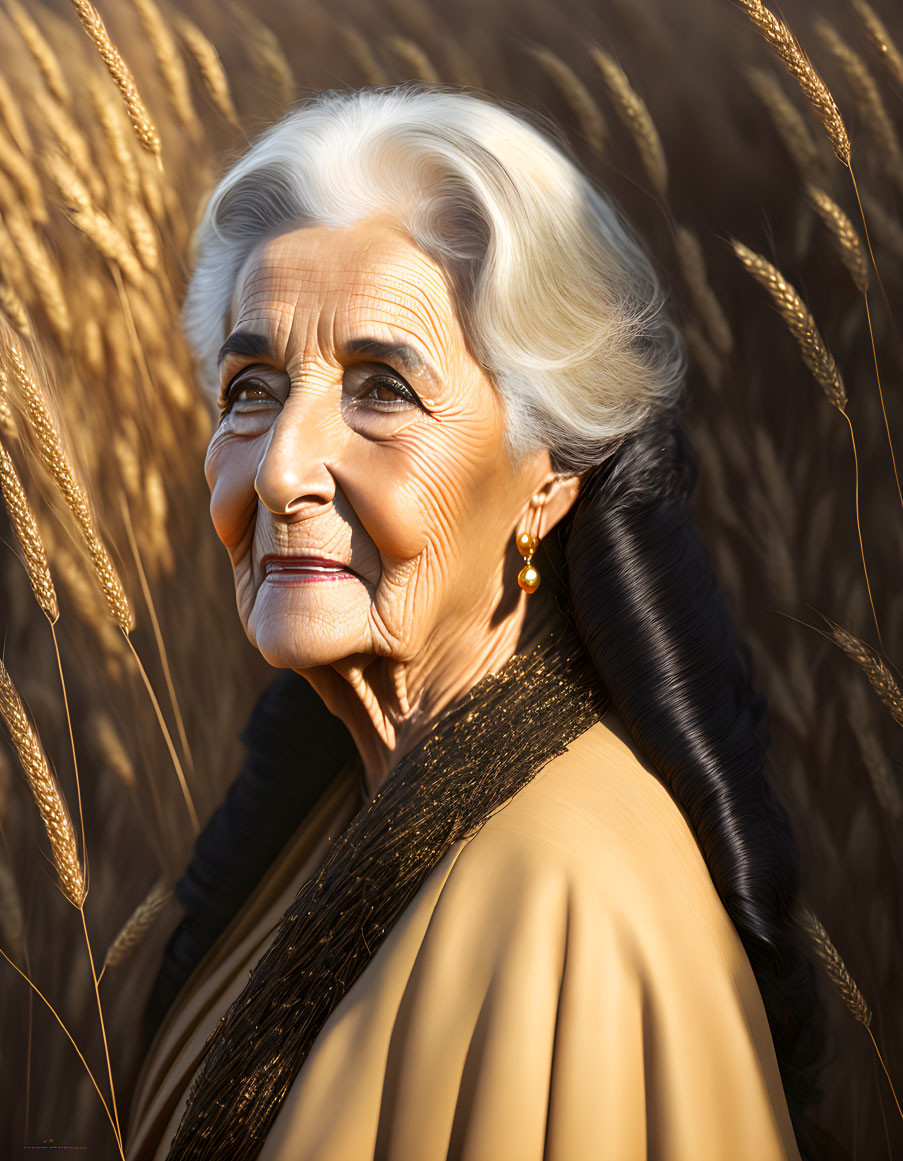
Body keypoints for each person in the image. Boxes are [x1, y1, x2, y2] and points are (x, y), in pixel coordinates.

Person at [124, 82, 833, 1160]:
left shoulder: (570, 893)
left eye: (381, 389)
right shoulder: (354, 805)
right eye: (252, 388)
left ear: (546, 477)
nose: (279, 471)